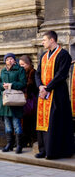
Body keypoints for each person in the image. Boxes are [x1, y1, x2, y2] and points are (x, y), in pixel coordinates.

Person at [35, 31, 74, 159]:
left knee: (54, 122)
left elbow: (61, 75)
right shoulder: (43, 55)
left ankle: (53, 151)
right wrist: (40, 86)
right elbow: (37, 73)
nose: (42, 42)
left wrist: (48, 88)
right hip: (43, 94)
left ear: (52, 40)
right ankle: (43, 149)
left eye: (44, 40)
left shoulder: (63, 55)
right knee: (43, 121)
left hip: (57, 94)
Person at [0, 53, 26, 154]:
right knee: (7, 124)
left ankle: (19, 145)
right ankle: (9, 144)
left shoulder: (20, 70)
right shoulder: (3, 71)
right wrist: (2, 86)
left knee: (16, 124)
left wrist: (11, 85)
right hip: (5, 100)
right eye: (7, 59)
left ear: (15, 60)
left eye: (11, 59)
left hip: (15, 100)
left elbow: (23, 83)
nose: (9, 61)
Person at [19, 55, 38, 147]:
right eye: (20, 65)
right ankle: (25, 140)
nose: (21, 66)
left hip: (31, 100)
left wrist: (24, 86)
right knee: (24, 121)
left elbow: (33, 87)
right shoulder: (21, 73)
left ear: (28, 64)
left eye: (23, 64)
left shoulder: (33, 72)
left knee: (31, 120)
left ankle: (33, 139)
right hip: (23, 100)